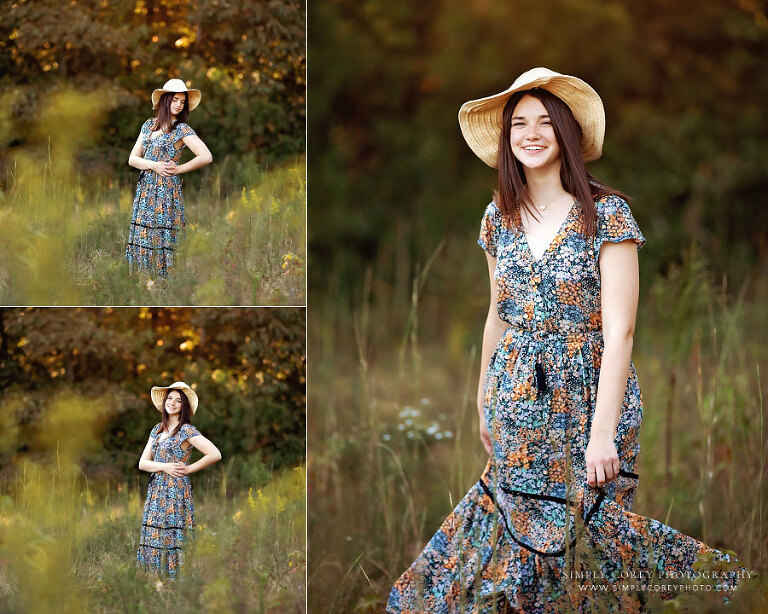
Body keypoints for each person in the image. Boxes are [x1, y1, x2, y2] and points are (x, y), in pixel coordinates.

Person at [387, 68, 744, 612]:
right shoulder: (497, 218)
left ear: (567, 134)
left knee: (594, 534)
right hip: (515, 399)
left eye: (545, 122)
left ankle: (728, 590)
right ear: (507, 139)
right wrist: (482, 399)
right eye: (519, 124)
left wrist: (603, 433)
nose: (531, 134)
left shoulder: (608, 215)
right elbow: (497, 316)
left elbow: (620, 330)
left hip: (588, 396)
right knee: (518, 540)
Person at [126, 78, 213, 278]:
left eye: (182, 102)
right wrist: (153, 165)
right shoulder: (148, 126)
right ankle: (142, 282)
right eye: (174, 100)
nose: (178, 105)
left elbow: (206, 156)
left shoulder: (181, 129)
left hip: (165, 191)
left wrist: (179, 169)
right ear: (165, 100)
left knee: (162, 235)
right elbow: (132, 159)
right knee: (143, 234)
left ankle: (165, 284)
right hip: (145, 190)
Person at [136, 381, 221, 579]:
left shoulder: (187, 431)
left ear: (183, 407)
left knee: (173, 535)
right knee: (155, 534)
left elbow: (214, 454)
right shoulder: (157, 429)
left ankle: (176, 583)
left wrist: (188, 469)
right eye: (170, 399)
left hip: (176, 490)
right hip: (156, 490)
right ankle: (153, 580)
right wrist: (164, 466)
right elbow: (142, 463)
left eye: (178, 401)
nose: (172, 403)